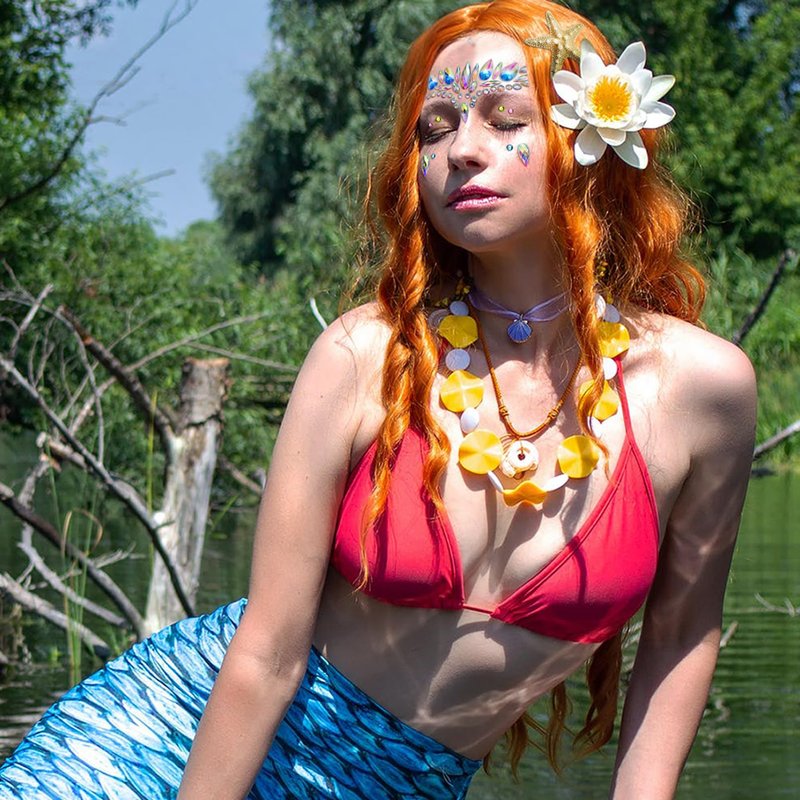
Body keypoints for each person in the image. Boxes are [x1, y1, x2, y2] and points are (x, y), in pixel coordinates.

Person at [0, 1, 757, 798]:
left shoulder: (701, 391)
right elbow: (265, 654)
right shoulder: (367, 355)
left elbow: (680, 637)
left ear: (594, 141)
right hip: (165, 746)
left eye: (505, 120)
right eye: (435, 128)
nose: (463, 150)